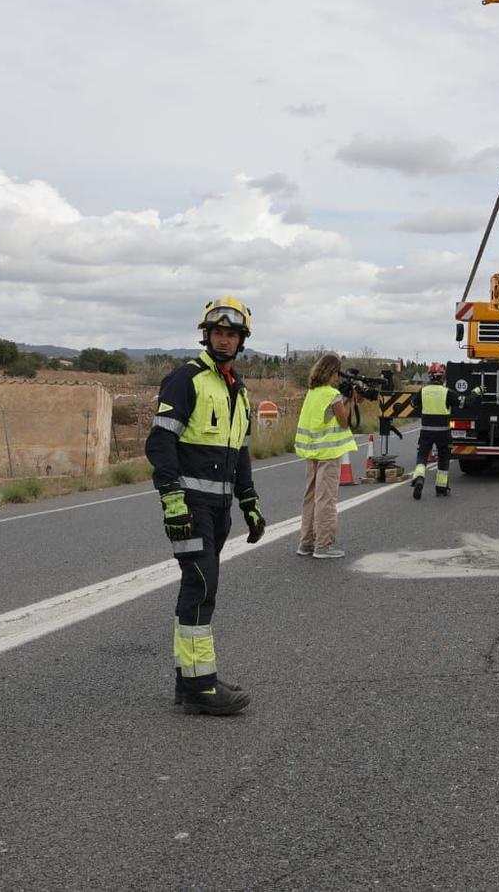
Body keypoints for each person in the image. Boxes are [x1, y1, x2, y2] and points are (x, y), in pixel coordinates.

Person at [144, 296, 265, 716]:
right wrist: (172, 500)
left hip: (220, 509)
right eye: (218, 333)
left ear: (241, 340)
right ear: (207, 335)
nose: (224, 340)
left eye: (232, 334)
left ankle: (188, 680)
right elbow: (160, 442)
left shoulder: (239, 390)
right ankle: (200, 685)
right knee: (201, 585)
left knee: (199, 586)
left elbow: (241, 451)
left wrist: (249, 502)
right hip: (190, 505)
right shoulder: (186, 380)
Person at [293, 353, 357, 558]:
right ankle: (323, 545)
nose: (338, 377)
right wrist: (348, 401)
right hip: (328, 453)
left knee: (310, 497)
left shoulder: (312, 393)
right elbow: (344, 422)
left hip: (311, 451)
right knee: (326, 499)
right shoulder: (332, 395)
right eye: (337, 373)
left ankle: (306, 543)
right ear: (332, 372)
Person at [410, 363, 456, 500]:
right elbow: (462, 403)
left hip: (426, 432)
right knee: (443, 459)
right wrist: (477, 393)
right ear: (442, 377)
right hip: (443, 432)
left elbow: (413, 404)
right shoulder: (447, 392)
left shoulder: (423, 391)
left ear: (429, 376)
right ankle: (441, 489)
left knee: (422, 456)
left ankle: (419, 478)